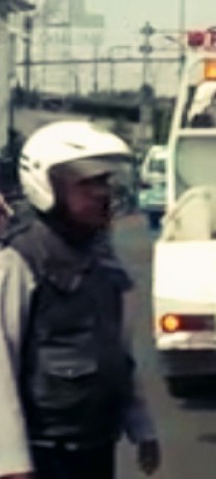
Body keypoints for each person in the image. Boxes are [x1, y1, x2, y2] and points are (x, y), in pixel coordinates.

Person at [0, 121, 161, 479]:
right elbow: (2, 361)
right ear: (47, 185)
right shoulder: (21, 257)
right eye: (86, 183)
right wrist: (10, 461)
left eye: (104, 181)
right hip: (45, 451)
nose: (101, 193)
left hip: (95, 443)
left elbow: (118, 351)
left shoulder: (101, 255)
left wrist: (141, 426)